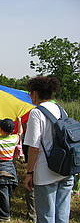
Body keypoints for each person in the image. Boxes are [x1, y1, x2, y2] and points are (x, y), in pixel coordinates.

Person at [23, 76, 74, 223]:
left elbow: (33, 147)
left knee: (46, 216)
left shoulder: (36, 113)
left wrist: (29, 172)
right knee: (62, 216)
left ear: (34, 93)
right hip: (65, 169)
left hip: (46, 172)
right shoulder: (61, 109)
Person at [0, 117, 22, 222]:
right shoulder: (14, 139)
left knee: (2, 193)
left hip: (0, 168)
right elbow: (20, 133)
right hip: (10, 168)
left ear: (1, 130)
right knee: (7, 192)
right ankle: (6, 212)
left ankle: (4, 215)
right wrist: (20, 121)